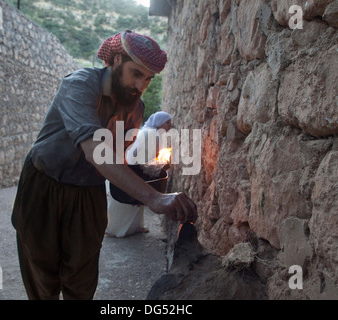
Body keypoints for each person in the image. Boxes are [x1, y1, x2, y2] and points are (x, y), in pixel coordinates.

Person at [11, 30, 198, 300]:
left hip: (89, 193)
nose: (142, 85)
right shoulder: (79, 85)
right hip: (44, 185)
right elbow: (96, 151)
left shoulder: (135, 109)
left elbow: (116, 159)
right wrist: (153, 198)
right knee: (42, 276)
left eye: (148, 78)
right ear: (116, 60)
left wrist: (148, 181)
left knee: (82, 279)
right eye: (136, 73)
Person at [105, 111, 173, 238]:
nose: (170, 125)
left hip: (136, 168)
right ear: (159, 122)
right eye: (167, 122)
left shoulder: (151, 132)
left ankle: (134, 227)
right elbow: (142, 157)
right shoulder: (151, 134)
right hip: (136, 169)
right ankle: (115, 229)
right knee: (127, 200)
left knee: (136, 200)